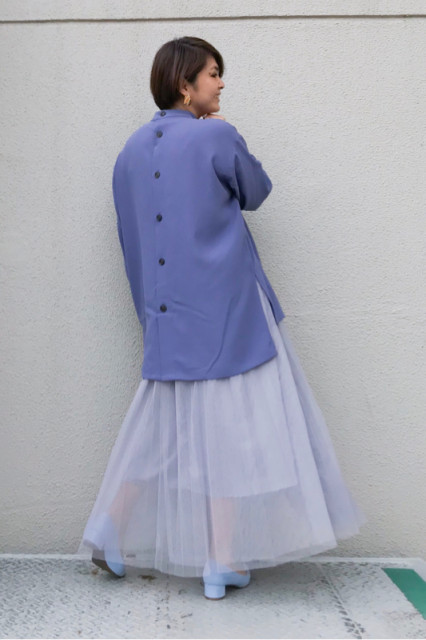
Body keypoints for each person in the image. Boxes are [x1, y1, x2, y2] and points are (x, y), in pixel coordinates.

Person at [77, 36, 367, 600]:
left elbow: (131, 239)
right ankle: (221, 559)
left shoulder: (130, 151)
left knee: (166, 430)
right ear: (185, 85)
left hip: (167, 316)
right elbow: (256, 191)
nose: (221, 82)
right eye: (213, 73)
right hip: (229, 309)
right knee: (233, 431)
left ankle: (109, 530)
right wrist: (228, 131)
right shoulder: (216, 135)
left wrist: (151, 315)